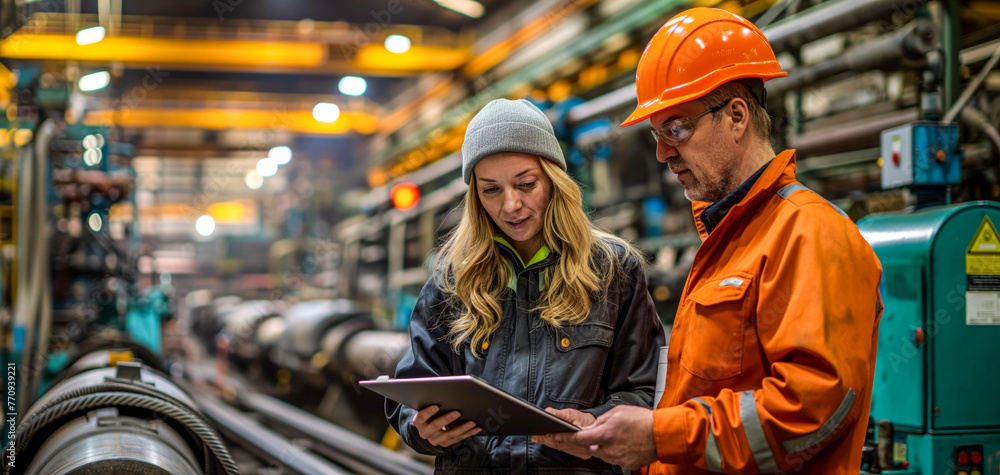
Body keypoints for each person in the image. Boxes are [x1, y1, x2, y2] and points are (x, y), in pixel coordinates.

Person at [535, 8, 884, 474]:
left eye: (676, 128)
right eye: (657, 135)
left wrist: (659, 437)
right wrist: (606, 428)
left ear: (737, 116)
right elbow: (701, 403)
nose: (663, 153)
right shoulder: (726, 242)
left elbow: (812, 411)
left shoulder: (810, 233)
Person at [385, 98, 666, 473]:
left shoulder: (613, 270)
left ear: (554, 180)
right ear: (475, 197)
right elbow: (413, 389)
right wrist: (420, 429)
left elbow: (644, 389)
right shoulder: (453, 279)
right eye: (491, 190)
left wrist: (595, 422)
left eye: (526, 184)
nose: (511, 205)